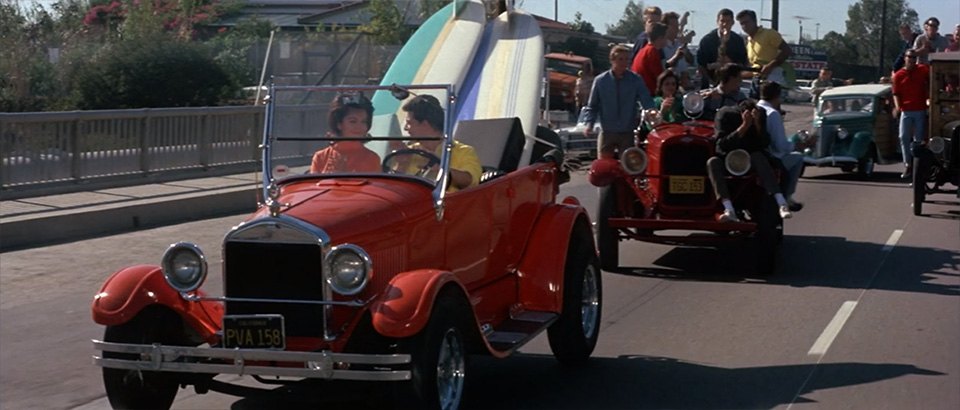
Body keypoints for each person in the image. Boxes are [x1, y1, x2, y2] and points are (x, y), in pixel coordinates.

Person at [707, 101, 793, 222]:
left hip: (750, 162)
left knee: (759, 157)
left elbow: (764, 144)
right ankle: (728, 208)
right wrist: (744, 126)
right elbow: (722, 145)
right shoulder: (726, 115)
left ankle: (781, 202)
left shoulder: (759, 116)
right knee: (712, 162)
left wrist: (757, 124)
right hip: (728, 160)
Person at [583, 44, 655, 158]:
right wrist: (589, 124)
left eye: (627, 59)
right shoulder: (600, 81)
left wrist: (653, 113)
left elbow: (646, 100)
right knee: (604, 166)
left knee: (628, 167)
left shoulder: (635, 80)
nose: (624, 62)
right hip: (607, 131)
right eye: (620, 59)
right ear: (612, 60)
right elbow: (592, 105)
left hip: (627, 132)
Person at [401, 94, 482, 192]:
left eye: (410, 123)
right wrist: (402, 163)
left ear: (425, 124)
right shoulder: (408, 153)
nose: (405, 128)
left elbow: (471, 181)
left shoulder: (464, 151)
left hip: (449, 204)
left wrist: (440, 169)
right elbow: (392, 188)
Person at [758, 81, 804, 211]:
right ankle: (787, 195)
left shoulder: (754, 108)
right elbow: (781, 146)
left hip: (755, 155)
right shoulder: (773, 114)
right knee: (798, 158)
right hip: (772, 157)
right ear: (777, 96)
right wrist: (795, 146)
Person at [309, 92, 381, 174]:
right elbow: (314, 186)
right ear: (339, 124)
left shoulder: (372, 158)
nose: (359, 126)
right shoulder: (321, 157)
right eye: (353, 121)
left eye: (364, 122)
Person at [892, 49, 930, 178]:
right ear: (905, 58)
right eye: (910, 57)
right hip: (906, 110)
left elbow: (934, 75)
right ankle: (908, 164)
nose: (912, 60)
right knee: (903, 137)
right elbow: (895, 93)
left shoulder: (922, 70)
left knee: (918, 140)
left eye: (914, 57)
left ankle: (917, 165)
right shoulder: (898, 75)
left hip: (920, 109)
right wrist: (897, 107)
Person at [737, 9, 793, 92]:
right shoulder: (748, 42)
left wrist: (770, 66)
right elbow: (755, 67)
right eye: (742, 24)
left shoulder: (769, 34)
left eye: (747, 22)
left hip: (773, 79)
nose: (744, 26)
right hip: (756, 80)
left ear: (755, 21)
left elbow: (787, 51)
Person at [697, 8, 748, 89]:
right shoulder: (707, 40)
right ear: (717, 22)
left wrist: (730, 63)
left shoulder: (738, 41)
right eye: (722, 21)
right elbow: (701, 64)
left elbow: (743, 62)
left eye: (728, 21)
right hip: (711, 82)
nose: (724, 24)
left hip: (732, 84)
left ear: (732, 23)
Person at [631, 22, 669, 93]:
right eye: (666, 37)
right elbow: (660, 77)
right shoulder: (652, 51)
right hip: (649, 94)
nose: (667, 39)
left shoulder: (644, 50)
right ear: (660, 38)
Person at [661, 11, 694, 78]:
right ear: (665, 27)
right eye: (674, 26)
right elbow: (663, 67)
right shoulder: (661, 47)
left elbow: (691, 61)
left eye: (677, 25)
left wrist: (685, 46)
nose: (677, 28)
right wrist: (677, 57)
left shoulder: (679, 43)